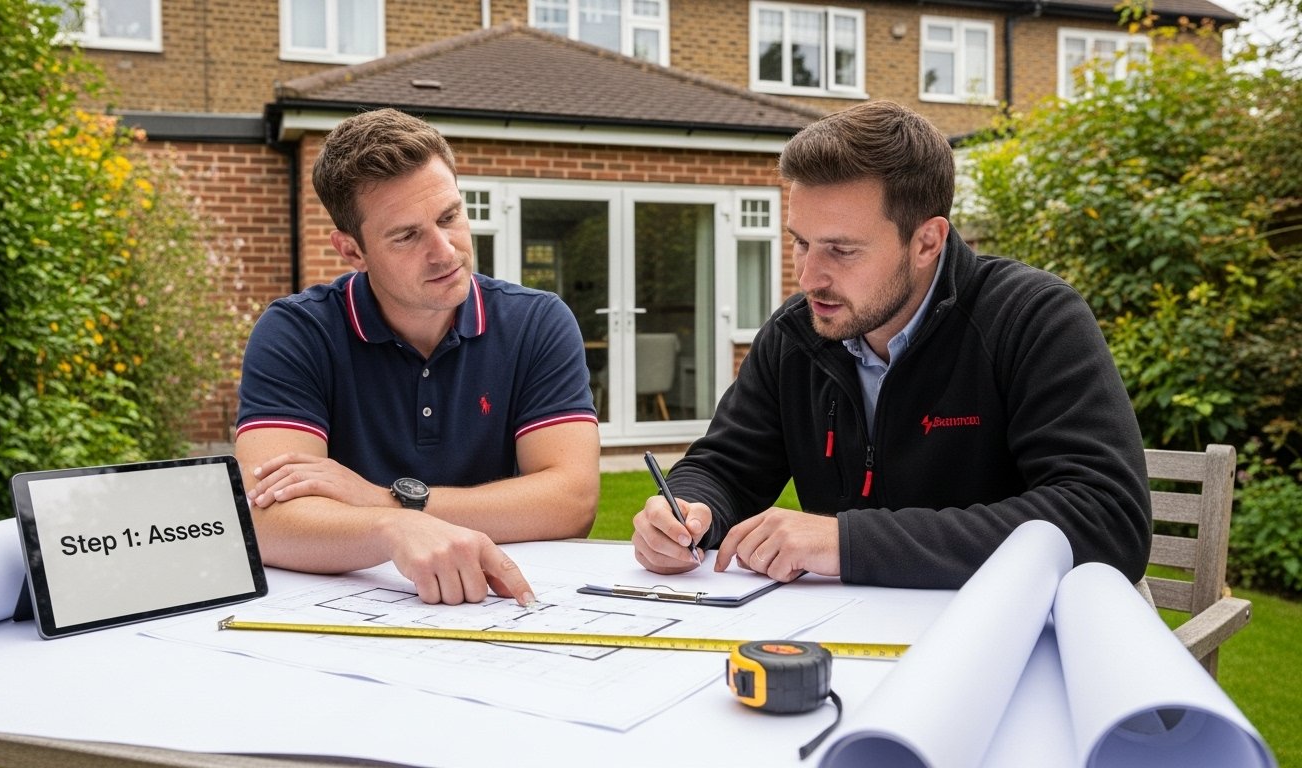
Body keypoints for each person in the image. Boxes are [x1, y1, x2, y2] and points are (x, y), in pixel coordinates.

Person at [632, 100, 1151, 589]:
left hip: (1007, 633)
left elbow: (1106, 519)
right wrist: (687, 510)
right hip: (849, 629)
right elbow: (726, 466)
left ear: (927, 242)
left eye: (842, 250)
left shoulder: (1032, 319)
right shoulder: (798, 333)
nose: (808, 278)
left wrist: (848, 543)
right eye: (801, 242)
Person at [235, 108, 600, 606]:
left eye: (449, 217)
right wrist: (393, 528)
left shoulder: (535, 322)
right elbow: (265, 517)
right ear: (352, 251)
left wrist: (385, 499)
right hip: (350, 607)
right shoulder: (297, 333)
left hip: (496, 599)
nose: (445, 251)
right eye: (407, 236)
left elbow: (571, 501)